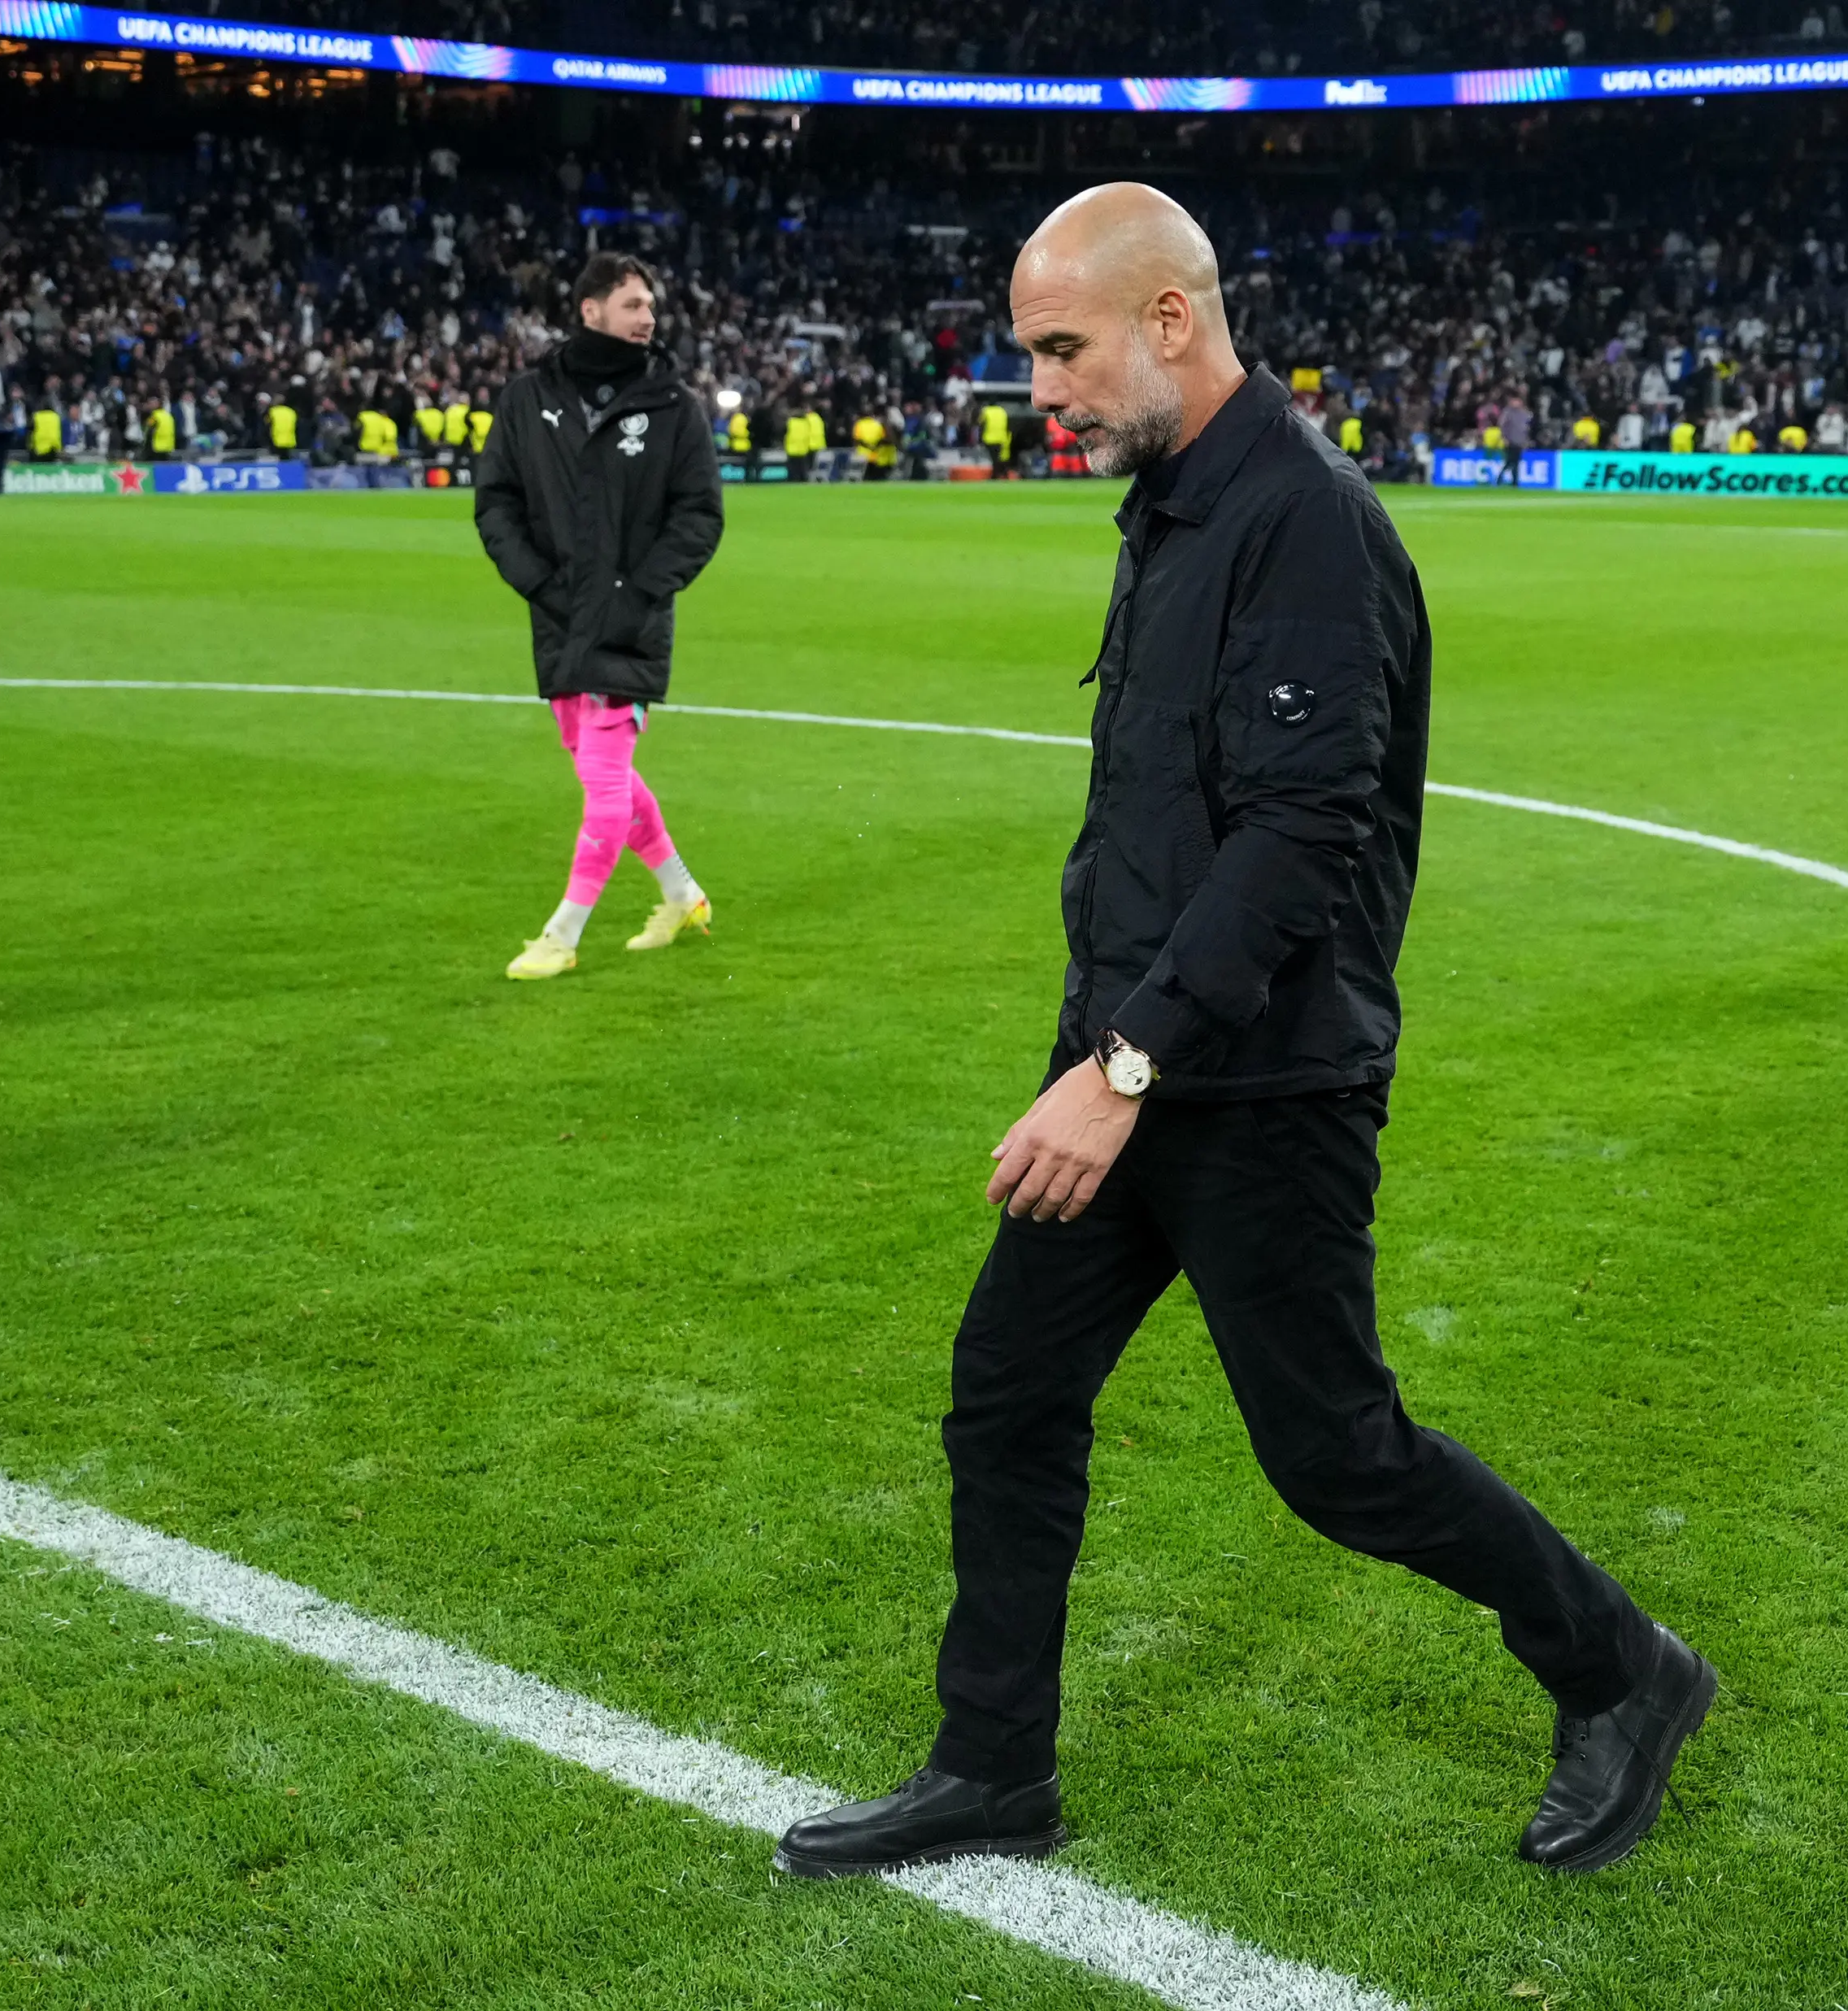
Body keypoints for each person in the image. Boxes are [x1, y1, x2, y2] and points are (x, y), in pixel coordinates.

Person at [774, 183, 1711, 1884]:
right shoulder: (1173, 506)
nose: (1034, 389)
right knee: (1005, 1392)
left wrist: (1117, 1071)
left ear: (1167, 322)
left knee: (1334, 1455)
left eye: (1056, 350)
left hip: (1258, 1080)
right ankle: (991, 1769)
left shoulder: (1301, 521)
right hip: (1133, 1059)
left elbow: (1299, 836)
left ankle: (1624, 1669)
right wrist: (1102, 1048)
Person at [472, 250, 726, 982]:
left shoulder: (672, 407)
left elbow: (700, 515)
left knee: (606, 787)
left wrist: (639, 593)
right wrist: (539, 584)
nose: (648, 317)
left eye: (650, 305)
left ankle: (563, 932)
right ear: (590, 311)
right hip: (558, 618)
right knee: (599, 772)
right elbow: (496, 501)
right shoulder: (530, 398)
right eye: (633, 304)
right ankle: (682, 894)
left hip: (630, 623)